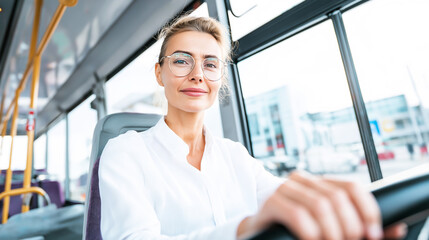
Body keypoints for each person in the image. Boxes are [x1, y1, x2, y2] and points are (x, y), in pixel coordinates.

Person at [98, 15, 406, 240]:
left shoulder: (235, 156)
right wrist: (245, 229)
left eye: (210, 63)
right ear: (159, 73)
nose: (197, 75)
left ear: (220, 78)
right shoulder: (125, 152)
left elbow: (282, 199)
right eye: (181, 61)